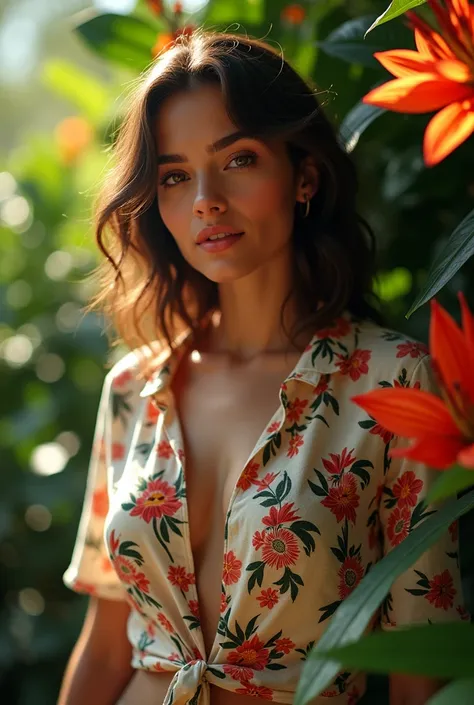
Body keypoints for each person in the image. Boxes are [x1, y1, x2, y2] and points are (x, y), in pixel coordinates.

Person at [57, 30, 468, 705]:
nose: (205, 200)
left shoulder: (392, 382)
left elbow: (422, 667)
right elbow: (105, 648)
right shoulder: (134, 388)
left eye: (239, 158)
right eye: (174, 175)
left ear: (304, 173)